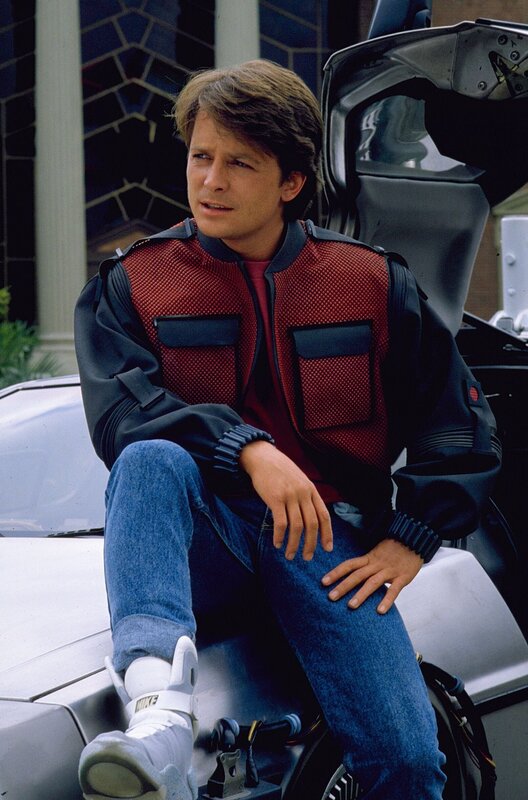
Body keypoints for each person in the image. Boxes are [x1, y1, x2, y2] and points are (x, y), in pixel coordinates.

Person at [74, 59, 501, 800]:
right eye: (201, 157)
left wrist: (411, 537)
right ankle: (159, 718)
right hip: (210, 538)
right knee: (148, 459)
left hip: (330, 548)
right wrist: (247, 450)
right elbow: (122, 414)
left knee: (407, 760)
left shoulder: (372, 283)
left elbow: (458, 425)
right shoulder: (133, 282)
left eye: (240, 164)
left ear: (292, 181)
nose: (211, 181)